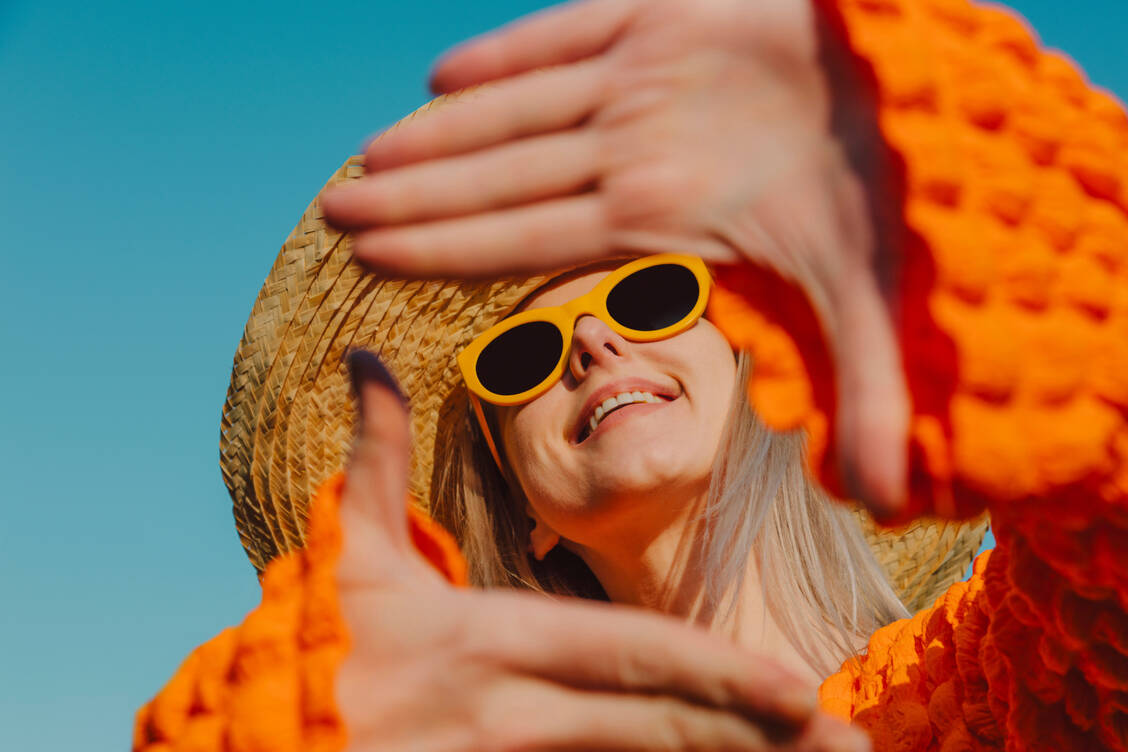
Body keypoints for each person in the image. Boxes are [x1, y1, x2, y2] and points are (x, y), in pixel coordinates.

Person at [134, 0, 1128, 750]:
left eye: (649, 295)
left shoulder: (1001, 681)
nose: (592, 346)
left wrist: (920, 133)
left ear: (756, 368)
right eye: (520, 355)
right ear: (524, 512)